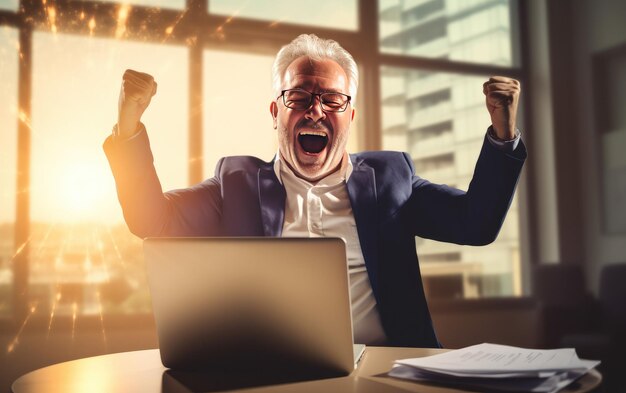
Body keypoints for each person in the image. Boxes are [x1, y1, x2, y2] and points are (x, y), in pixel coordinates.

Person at [104, 34, 526, 348]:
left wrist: (503, 135)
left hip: (388, 373)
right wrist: (128, 127)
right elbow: (151, 219)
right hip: (273, 375)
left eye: (332, 99)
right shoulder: (236, 182)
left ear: (350, 115)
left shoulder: (391, 178)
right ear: (276, 112)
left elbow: (476, 223)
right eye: (299, 96)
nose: (315, 109)